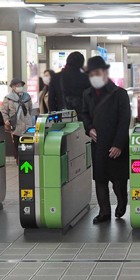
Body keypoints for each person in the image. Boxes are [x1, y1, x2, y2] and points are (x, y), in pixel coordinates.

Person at [80, 56, 131, 224]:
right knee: (100, 179)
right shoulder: (87, 94)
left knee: (118, 181)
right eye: (91, 74)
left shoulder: (119, 94)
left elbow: (125, 121)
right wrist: (89, 128)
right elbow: (84, 114)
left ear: (105, 73)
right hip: (98, 144)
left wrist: (118, 144)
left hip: (116, 144)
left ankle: (122, 203)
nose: (94, 76)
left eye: (97, 73)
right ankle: (104, 212)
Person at [48, 51, 90, 119]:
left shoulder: (56, 77)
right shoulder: (86, 78)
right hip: (82, 117)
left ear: (67, 61)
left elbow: (51, 100)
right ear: (81, 63)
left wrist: (53, 117)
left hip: (62, 117)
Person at [1, 78, 33, 161]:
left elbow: (30, 109)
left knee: (28, 146)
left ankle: (27, 161)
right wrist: (6, 120)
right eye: (17, 85)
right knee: (17, 146)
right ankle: (18, 161)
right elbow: (4, 111)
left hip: (27, 126)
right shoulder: (8, 98)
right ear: (13, 87)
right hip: (15, 126)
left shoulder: (27, 97)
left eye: (21, 85)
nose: (19, 87)